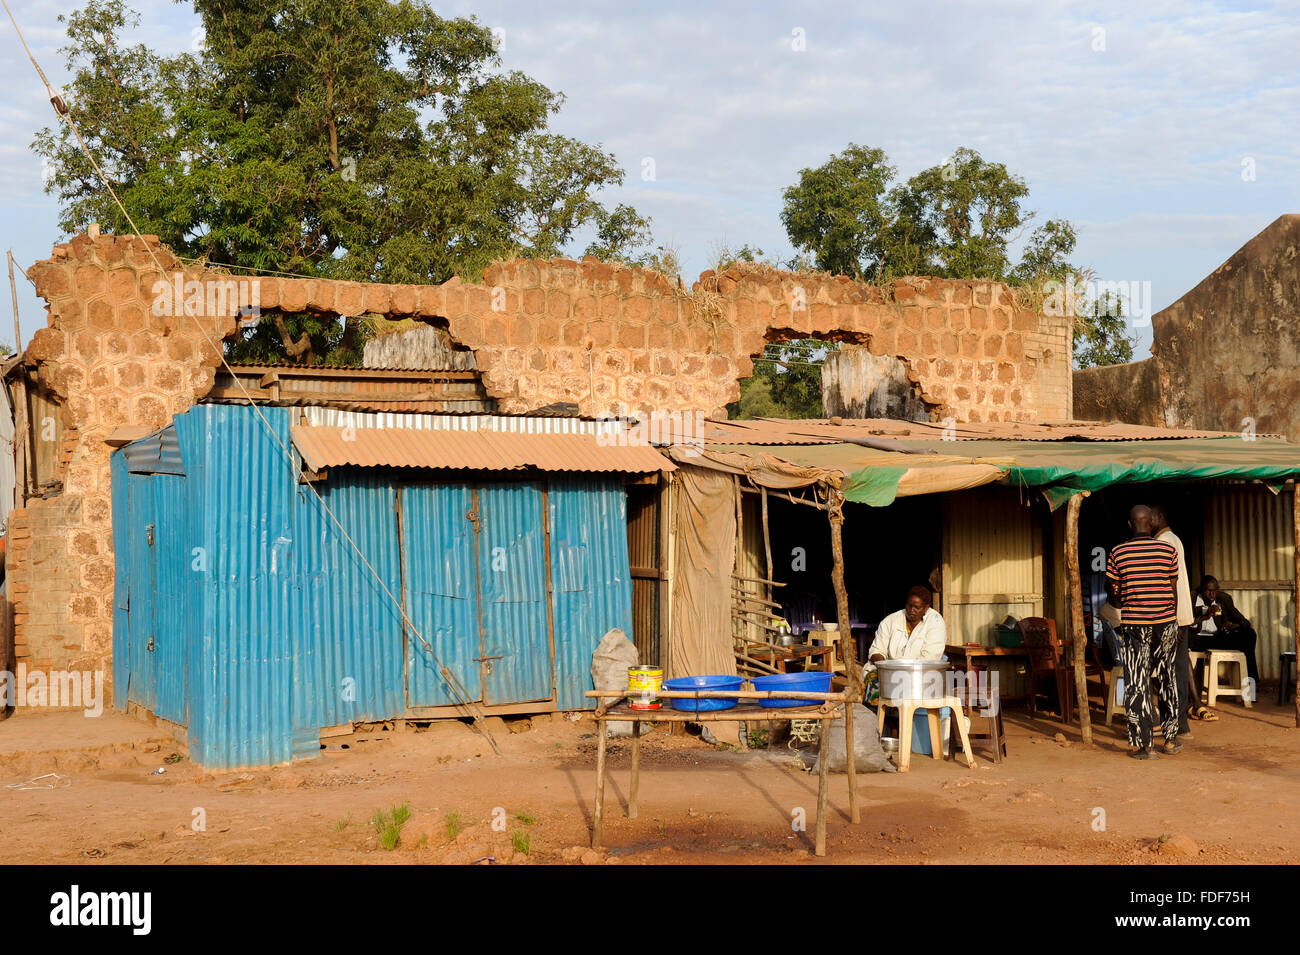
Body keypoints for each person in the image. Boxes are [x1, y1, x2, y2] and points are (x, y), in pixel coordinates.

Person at [1105, 505, 1181, 759]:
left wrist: (1125, 596)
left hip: (1135, 624)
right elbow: (1172, 590)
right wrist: (1173, 622)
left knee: (1137, 682)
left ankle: (1145, 745)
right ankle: (1170, 740)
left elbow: (1114, 594)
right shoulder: (1168, 550)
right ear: (1151, 523)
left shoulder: (1118, 552)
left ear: (1130, 523)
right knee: (1167, 677)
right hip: (1166, 622)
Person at [1150, 506, 1201, 733]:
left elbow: (1168, 586)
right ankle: (1179, 723)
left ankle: (1177, 723)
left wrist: (1169, 617)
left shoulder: (1165, 542)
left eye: (1148, 518)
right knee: (1176, 670)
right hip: (1178, 615)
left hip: (1172, 616)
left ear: (1159, 517)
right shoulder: (1173, 539)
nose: (1145, 523)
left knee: (1171, 671)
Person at [1191, 575, 1260, 691]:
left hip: (1217, 638)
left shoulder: (1223, 599)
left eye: (1214, 591)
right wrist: (1207, 611)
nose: (1212, 595)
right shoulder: (1192, 598)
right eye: (1208, 591)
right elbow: (1188, 618)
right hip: (1197, 640)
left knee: (1249, 634)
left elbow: (1245, 622)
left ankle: (1250, 687)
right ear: (1202, 590)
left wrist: (1234, 625)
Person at [868, 585, 947, 662]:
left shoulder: (935, 622)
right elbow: (876, 650)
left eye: (917, 607)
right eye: (909, 606)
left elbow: (930, 658)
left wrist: (905, 671)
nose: (912, 610)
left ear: (926, 608)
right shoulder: (890, 621)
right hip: (890, 670)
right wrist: (882, 662)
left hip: (923, 672)